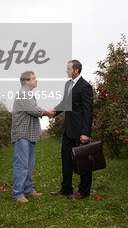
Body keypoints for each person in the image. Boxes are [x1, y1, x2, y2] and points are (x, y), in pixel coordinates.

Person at [50, 59, 93, 200]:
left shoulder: (85, 86)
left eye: (68, 68)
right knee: (66, 159)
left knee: (83, 161)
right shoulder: (68, 84)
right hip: (68, 129)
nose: (66, 71)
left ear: (76, 70)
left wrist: (86, 133)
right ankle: (66, 188)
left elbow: (88, 111)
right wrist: (53, 112)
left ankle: (84, 191)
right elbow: (64, 103)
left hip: (80, 130)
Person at [11, 71, 55, 203]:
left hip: (28, 134)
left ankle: (28, 189)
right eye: (33, 78)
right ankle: (17, 194)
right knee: (21, 164)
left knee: (29, 164)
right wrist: (47, 112)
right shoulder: (23, 93)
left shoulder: (28, 94)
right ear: (26, 81)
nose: (36, 80)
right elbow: (33, 110)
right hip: (22, 133)